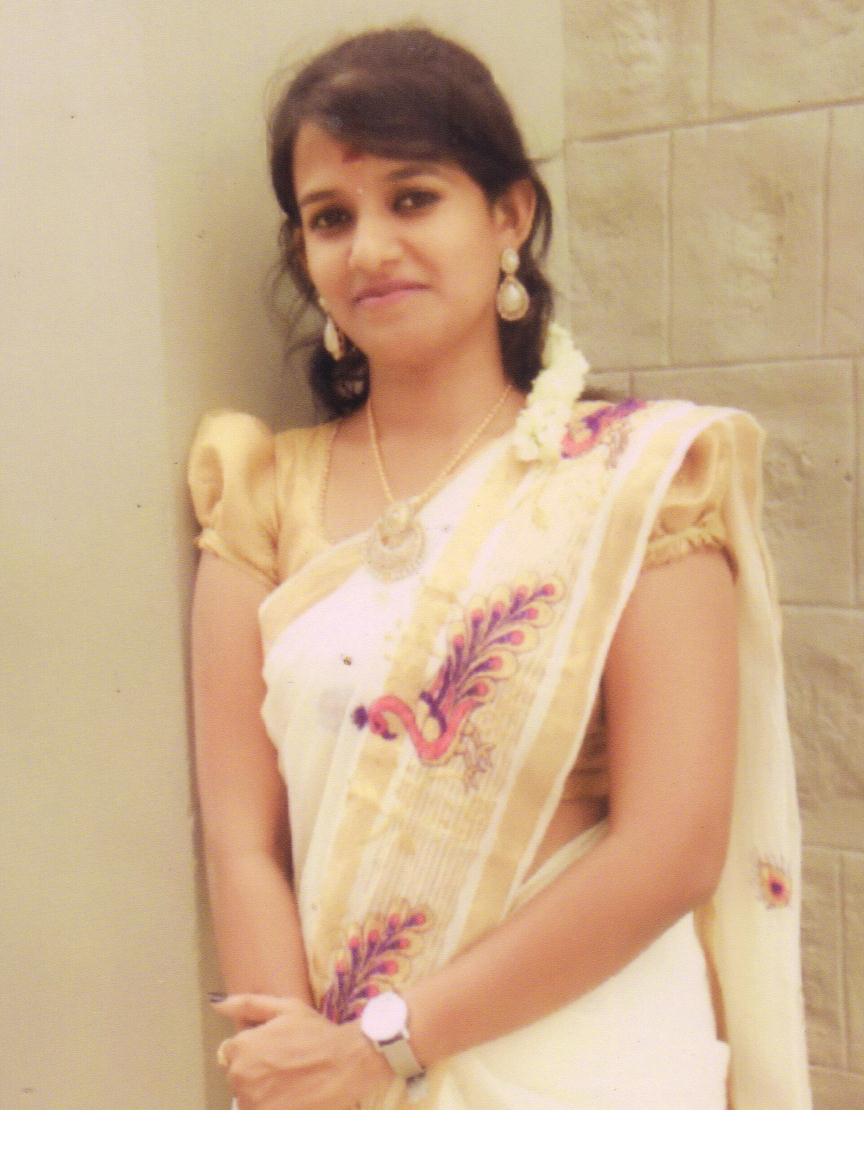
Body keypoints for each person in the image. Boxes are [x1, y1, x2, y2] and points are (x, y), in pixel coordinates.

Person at [188, 27, 810, 1109]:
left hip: (587, 1066)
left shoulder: (639, 482)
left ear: (509, 214)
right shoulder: (261, 495)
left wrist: (380, 1047)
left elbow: (671, 846)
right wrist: (303, 1076)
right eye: (331, 217)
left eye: (413, 198)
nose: (369, 247)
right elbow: (243, 841)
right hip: (330, 1081)